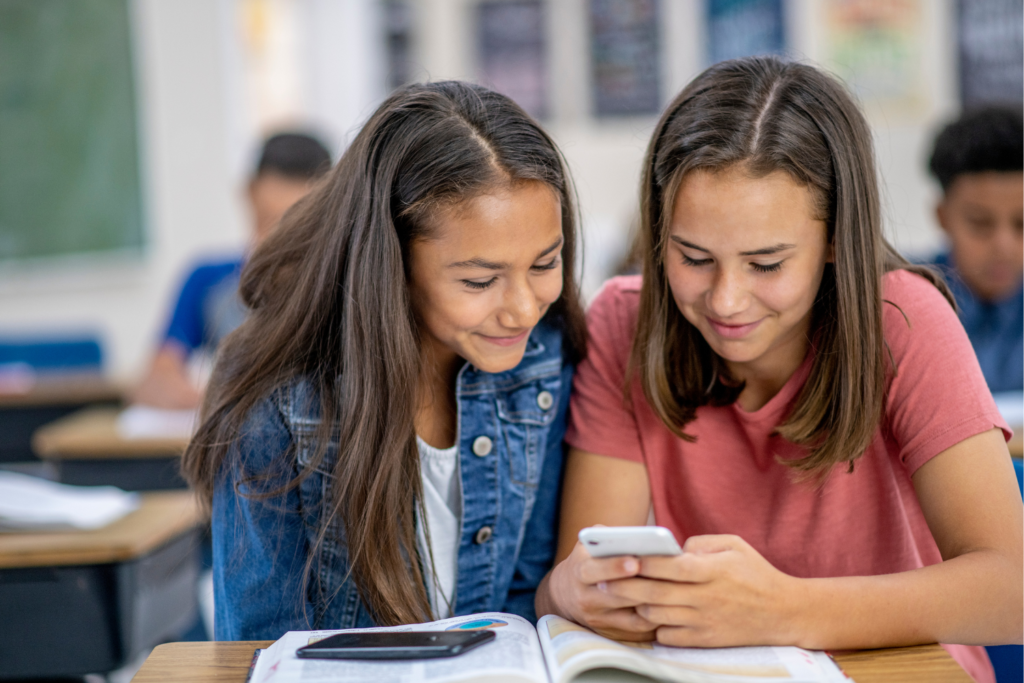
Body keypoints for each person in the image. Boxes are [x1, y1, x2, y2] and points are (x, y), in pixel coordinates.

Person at [536, 57, 1022, 683]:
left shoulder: (904, 321)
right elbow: (576, 576)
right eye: (694, 257)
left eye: (766, 264)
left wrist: (781, 608)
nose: (727, 300)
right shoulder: (623, 324)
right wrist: (570, 593)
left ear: (833, 242)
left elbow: (1008, 593)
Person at [181, 81, 587, 640]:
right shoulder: (277, 400)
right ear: (390, 261)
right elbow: (264, 649)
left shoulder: (543, 359)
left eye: (545, 263)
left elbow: (524, 607)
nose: (522, 310)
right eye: (480, 279)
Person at [133, 133, 332, 409]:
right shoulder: (208, 281)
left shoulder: (337, 287)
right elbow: (154, 381)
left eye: (297, 227)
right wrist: (213, 401)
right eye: (268, 222)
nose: (277, 243)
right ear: (249, 192)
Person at [928, 107, 1023, 393]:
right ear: (943, 217)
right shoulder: (899, 303)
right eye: (981, 223)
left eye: (1022, 224)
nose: (1003, 246)